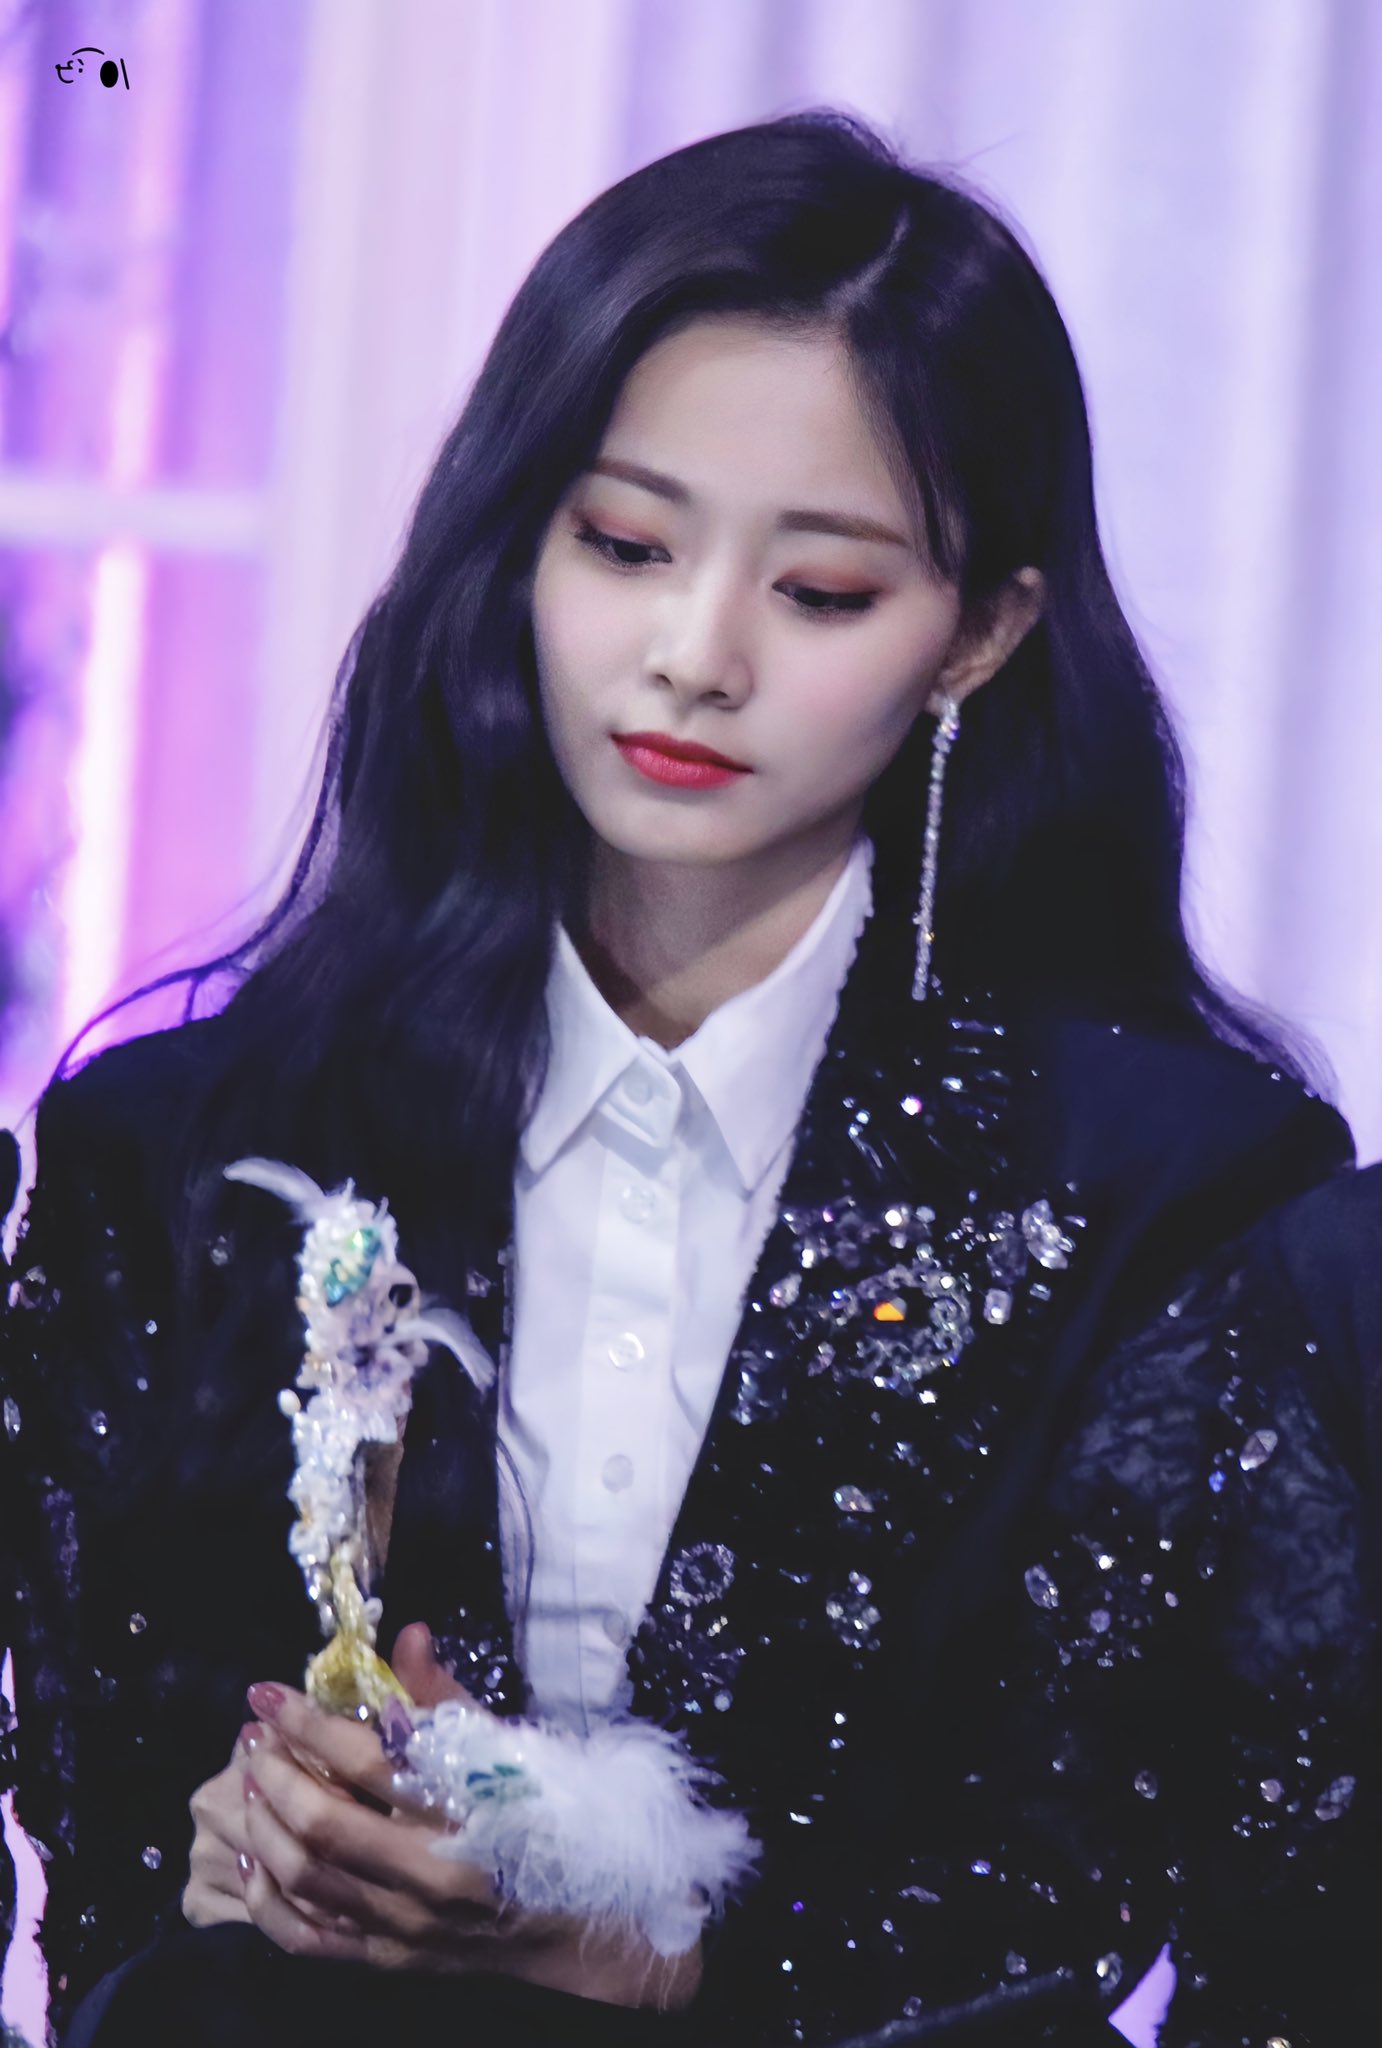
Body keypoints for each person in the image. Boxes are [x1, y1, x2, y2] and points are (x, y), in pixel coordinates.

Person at [0, 107, 1376, 2047]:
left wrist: (666, 1959)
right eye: (626, 545)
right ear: (515, 540)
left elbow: (1142, 1897)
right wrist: (243, 1855)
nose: (693, 656)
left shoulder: (1176, 1197)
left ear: (977, 636)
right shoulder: (181, 1155)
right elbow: (106, 1862)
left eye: (822, 594)